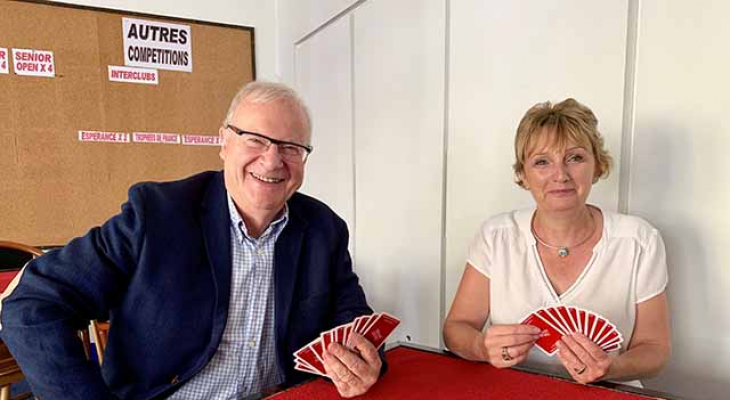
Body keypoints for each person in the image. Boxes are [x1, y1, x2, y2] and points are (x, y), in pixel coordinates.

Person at [0, 81, 384, 399]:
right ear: (224, 142)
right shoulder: (158, 214)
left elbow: (356, 325)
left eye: (290, 147)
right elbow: (31, 304)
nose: (272, 161)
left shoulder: (323, 229)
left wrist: (364, 362)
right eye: (255, 140)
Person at [443, 98, 671, 386]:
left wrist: (610, 367)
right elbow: (456, 329)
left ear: (598, 166)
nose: (560, 175)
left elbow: (656, 349)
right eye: (542, 162)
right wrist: (480, 347)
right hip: (515, 390)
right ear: (522, 175)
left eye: (575, 158)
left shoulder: (640, 241)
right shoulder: (496, 235)